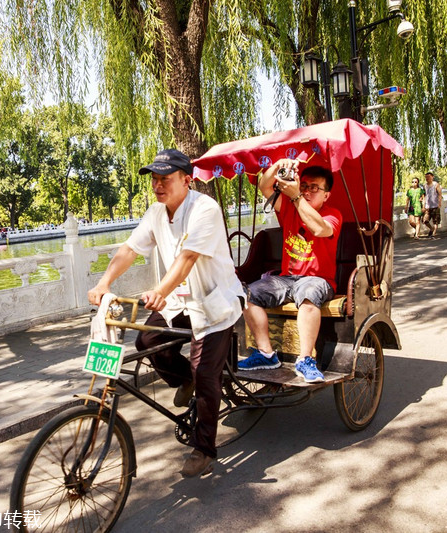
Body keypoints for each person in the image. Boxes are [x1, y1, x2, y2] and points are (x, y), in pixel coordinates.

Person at [88, 148, 244, 478]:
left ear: (187, 180)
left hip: (214, 302)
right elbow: (130, 249)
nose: (159, 186)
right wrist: (104, 282)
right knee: (147, 342)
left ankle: (204, 448)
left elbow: (187, 259)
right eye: (155, 180)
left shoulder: (205, 209)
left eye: (166, 179)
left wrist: (160, 291)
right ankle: (184, 379)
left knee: (206, 373)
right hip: (178, 302)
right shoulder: (156, 213)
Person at [236, 160, 342, 384]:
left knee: (308, 294)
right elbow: (265, 187)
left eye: (315, 188)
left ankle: (305, 359)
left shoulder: (333, 214)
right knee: (245, 294)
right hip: (286, 278)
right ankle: (265, 353)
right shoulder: (289, 208)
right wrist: (276, 166)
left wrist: (296, 197)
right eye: (304, 185)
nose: (308, 191)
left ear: (326, 195)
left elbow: (319, 229)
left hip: (318, 278)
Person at [423, 171, 442, 237]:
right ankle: (431, 229)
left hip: (435, 205)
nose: (427, 178)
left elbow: (439, 194)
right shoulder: (425, 186)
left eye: (428, 177)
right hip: (428, 206)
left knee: (435, 220)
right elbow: (424, 196)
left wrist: (439, 203)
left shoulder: (436, 184)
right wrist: (424, 205)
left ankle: (433, 234)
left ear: (432, 177)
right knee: (425, 220)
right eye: (426, 177)